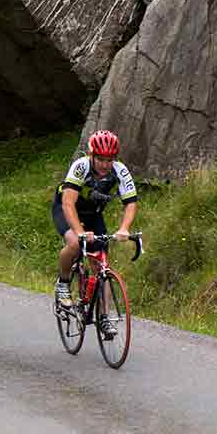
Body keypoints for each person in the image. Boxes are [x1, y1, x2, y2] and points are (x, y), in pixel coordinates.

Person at [52, 129, 138, 338]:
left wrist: (124, 228)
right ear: (92, 156)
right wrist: (80, 232)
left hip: (93, 214)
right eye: (100, 159)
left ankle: (104, 317)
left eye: (109, 160)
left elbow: (131, 203)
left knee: (102, 265)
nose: (104, 164)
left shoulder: (120, 170)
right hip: (67, 209)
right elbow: (68, 202)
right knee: (74, 243)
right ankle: (63, 283)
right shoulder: (80, 167)